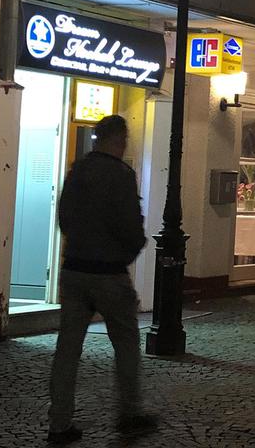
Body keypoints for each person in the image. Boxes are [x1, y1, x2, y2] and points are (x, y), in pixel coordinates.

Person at [47, 115, 157, 444]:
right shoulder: (121, 175)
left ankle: (60, 422)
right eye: (125, 140)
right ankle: (129, 412)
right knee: (125, 342)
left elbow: (64, 215)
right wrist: (127, 252)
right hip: (108, 273)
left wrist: (79, 243)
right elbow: (130, 227)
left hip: (74, 269)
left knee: (67, 348)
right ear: (118, 139)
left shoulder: (77, 169)